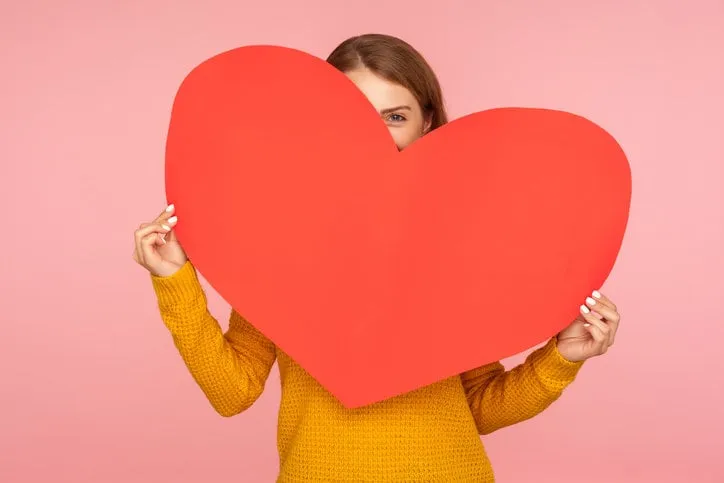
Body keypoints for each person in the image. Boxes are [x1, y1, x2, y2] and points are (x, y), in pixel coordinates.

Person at [133, 34, 621, 482]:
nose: (375, 134)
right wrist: (175, 279)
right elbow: (232, 392)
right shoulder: (280, 246)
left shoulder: (456, 248)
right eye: (354, 114)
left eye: (394, 115)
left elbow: (478, 409)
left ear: (426, 123)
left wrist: (560, 360)